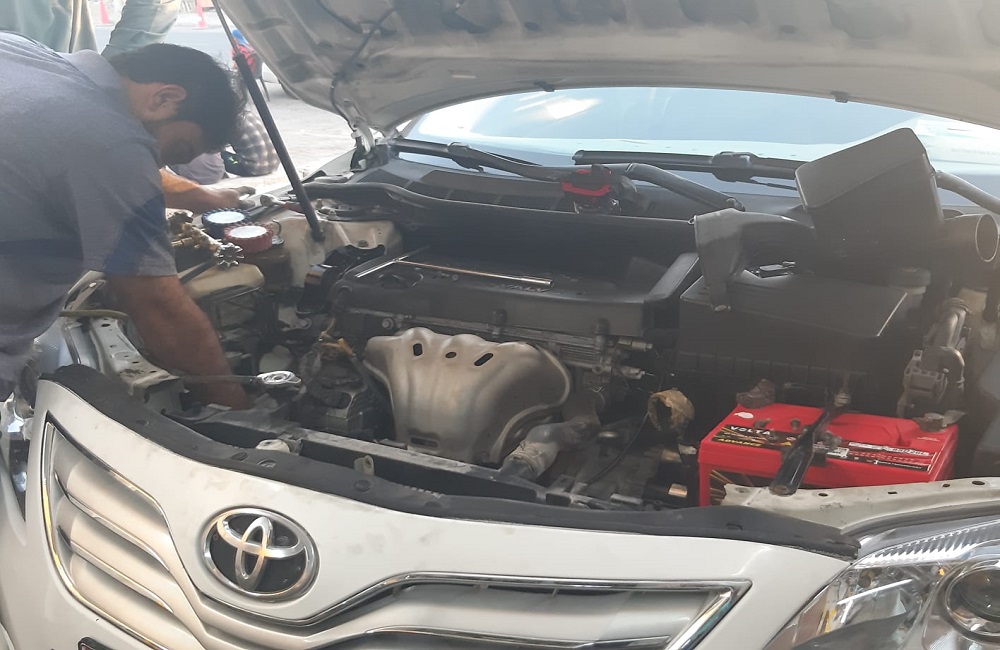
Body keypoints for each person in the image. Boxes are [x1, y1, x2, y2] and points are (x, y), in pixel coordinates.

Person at [0, 33, 249, 409]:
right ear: (165, 98)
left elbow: (107, 159)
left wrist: (206, 198)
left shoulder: (23, 53)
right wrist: (238, 411)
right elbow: (160, 310)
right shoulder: (111, 143)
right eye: (176, 151)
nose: (157, 165)